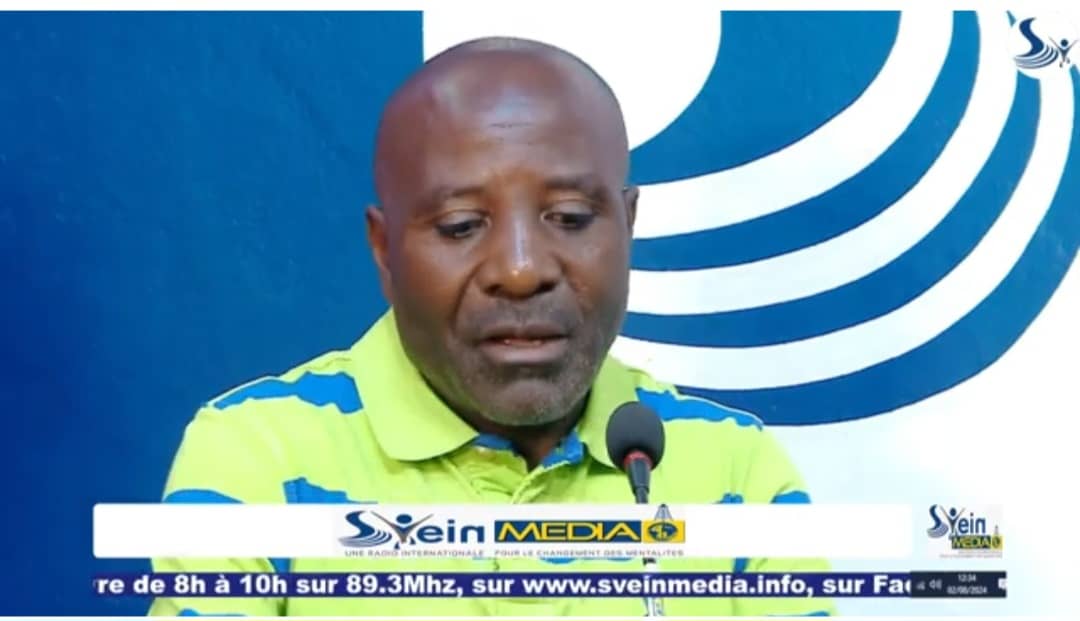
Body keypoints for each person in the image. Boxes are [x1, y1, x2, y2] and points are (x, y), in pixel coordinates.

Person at [150, 36, 836, 617]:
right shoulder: (258, 457)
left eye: (570, 218)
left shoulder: (737, 469)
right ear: (384, 251)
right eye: (461, 226)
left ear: (627, 228)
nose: (520, 269)